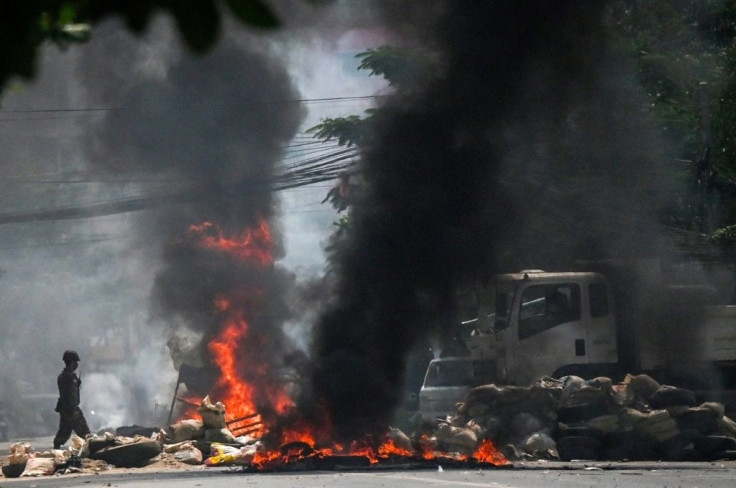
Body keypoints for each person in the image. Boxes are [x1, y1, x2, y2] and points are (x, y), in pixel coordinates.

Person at [53, 350, 90, 449]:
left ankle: (55, 450)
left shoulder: (68, 376)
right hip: (71, 409)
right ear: (70, 362)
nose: (76, 365)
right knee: (86, 435)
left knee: (63, 432)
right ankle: (91, 453)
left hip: (66, 410)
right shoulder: (67, 377)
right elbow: (69, 395)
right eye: (75, 362)